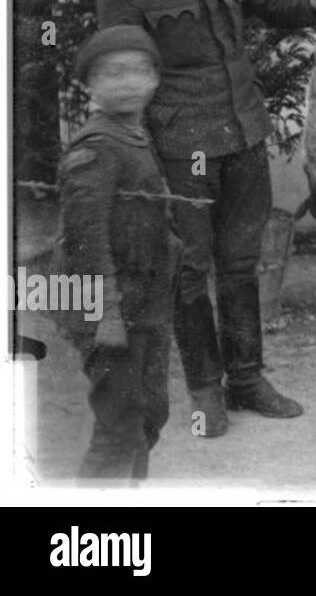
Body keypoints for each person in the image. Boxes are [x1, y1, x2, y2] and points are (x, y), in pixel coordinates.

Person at [97, 0, 316, 436]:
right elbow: (119, 83)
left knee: (240, 264)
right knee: (188, 269)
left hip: (244, 134)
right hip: (180, 150)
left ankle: (249, 380)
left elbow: (272, 3)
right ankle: (207, 391)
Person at [57, 26, 177, 481]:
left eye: (138, 71)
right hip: (110, 316)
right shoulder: (97, 147)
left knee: (146, 419)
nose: (127, 82)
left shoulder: (135, 135)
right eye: (112, 73)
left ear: (154, 79)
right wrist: (105, 314)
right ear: (91, 84)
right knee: (119, 429)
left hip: (144, 308)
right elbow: (86, 238)